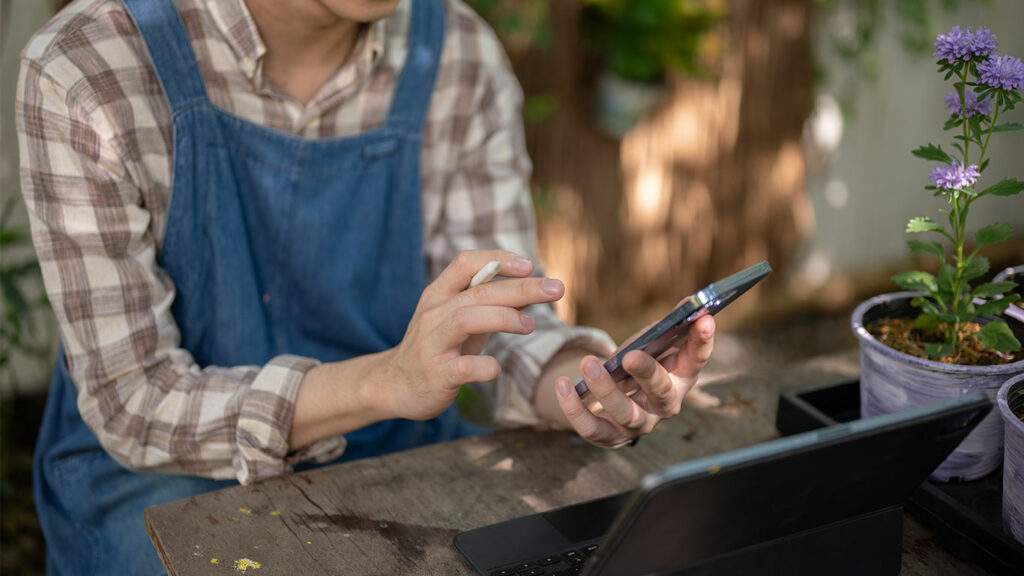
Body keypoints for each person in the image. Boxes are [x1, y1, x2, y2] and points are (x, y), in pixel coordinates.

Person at [16, 0, 716, 573]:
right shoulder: (89, 66)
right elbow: (133, 401)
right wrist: (384, 382)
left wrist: (581, 384)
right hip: (159, 478)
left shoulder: (458, 55)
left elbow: (493, 324)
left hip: (395, 454)